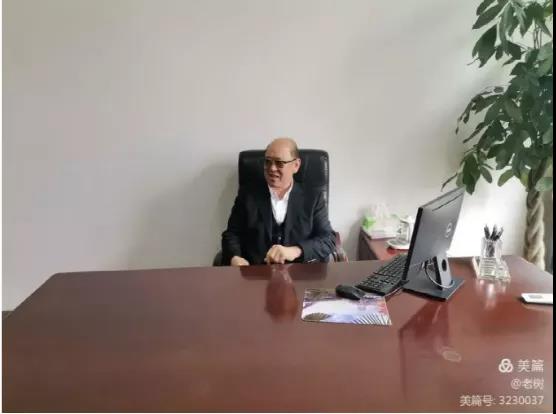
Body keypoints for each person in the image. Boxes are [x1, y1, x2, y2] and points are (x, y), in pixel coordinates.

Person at [221, 138, 336, 266]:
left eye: (279, 163)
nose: (272, 168)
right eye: (267, 162)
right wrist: (235, 258)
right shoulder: (248, 195)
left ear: (296, 165)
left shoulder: (313, 197)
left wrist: (296, 250)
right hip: (257, 272)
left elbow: (328, 239)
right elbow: (231, 234)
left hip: (299, 272)